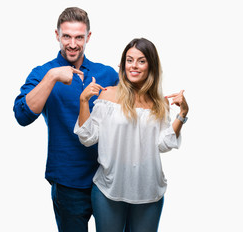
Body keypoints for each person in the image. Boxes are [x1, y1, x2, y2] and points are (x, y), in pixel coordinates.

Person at [13, 7, 119, 232]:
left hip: (109, 179)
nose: (73, 43)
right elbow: (22, 115)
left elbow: (135, 112)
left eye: (79, 37)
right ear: (57, 35)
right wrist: (52, 77)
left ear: (88, 37)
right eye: (67, 36)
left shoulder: (107, 74)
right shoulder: (44, 72)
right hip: (67, 182)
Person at [74, 38, 189, 232]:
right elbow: (88, 137)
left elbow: (164, 144)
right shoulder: (108, 95)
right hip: (109, 190)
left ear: (150, 65)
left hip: (149, 192)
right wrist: (84, 101)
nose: (134, 66)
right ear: (123, 63)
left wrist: (182, 115)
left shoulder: (160, 103)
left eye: (141, 61)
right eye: (129, 60)